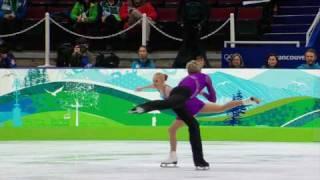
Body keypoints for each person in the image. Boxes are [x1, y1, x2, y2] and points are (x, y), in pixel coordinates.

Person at [136, 59, 260, 167]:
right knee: (221, 108)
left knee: (172, 130)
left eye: (156, 80)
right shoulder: (205, 77)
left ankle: (173, 156)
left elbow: (177, 98)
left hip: (186, 106)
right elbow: (213, 99)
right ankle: (247, 101)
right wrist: (203, 93)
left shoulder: (182, 81)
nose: (154, 82)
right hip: (196, 103)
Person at [172, 0, 209, 68]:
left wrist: (201, 24)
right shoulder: (184, 1)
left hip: (199, 28)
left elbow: (206, 13)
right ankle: (182, 64)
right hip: (187, 27)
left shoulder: (203, 2)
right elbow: (180, 12)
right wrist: (181, 22)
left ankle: (203, 65)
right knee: (185, 46)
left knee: (199, 47)